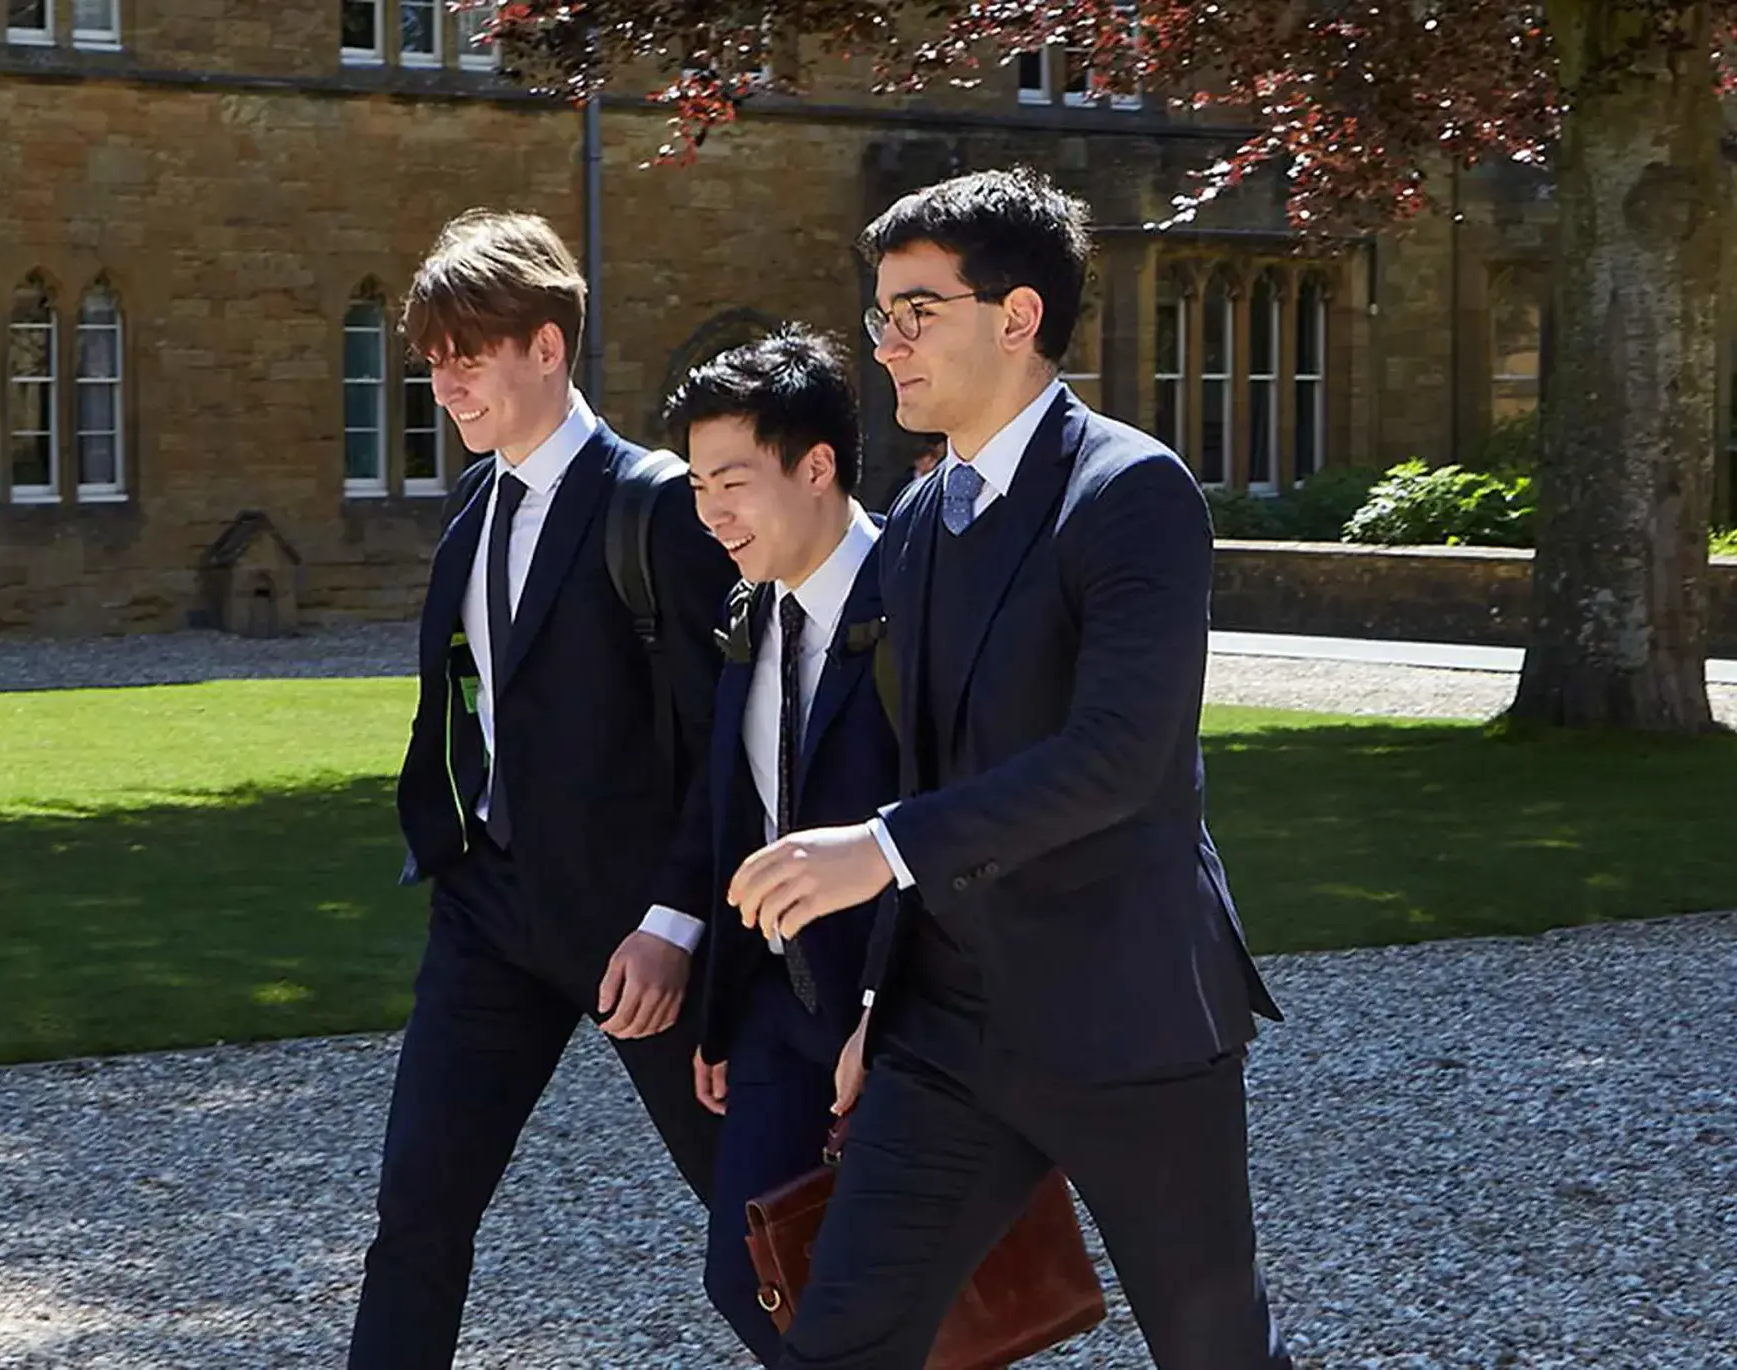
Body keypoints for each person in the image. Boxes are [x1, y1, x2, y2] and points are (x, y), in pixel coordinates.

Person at [726, 167, 1294, 1370]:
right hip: (949, 1032)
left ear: (1017, 315)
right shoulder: (925, 516)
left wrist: (872, 854)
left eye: (913, 312)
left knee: (1214, 1351)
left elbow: (1119, 759)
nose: (886, 345)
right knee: (838, 1338)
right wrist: (881, 1001)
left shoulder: (1132, 492)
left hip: (1127, 1017)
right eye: (880, 315)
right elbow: (927, 760)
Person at [350, 209, 737, 1369]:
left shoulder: (658, 505)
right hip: (490, 915)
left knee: (760, 1210)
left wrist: (677, 922)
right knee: (417, 1208)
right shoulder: (472, 507)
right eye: (432, 355)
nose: (445, 379)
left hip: (639, 930)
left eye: (468, 350)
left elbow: (730, 737)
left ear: (548, 346)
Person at [655, 326, 899, 1364]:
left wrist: (887, 1012)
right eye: (699, 481)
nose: (712, 511)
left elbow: (954, 822)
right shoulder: (748, 610)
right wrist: (709, 985)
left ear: (817, 467)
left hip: (897, 1020)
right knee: (744, 1273)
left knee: (886, 1294)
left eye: (733, 480)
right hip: (773, 1015)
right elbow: (730, 807)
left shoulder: (916, 605)